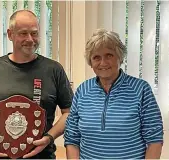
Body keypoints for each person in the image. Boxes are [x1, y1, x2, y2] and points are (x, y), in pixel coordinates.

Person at [0, 10, 73, 159]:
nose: (30, 39)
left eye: (34, 33)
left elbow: (69, 112)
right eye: (23, 33)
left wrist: (49, 138)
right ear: (10, 34)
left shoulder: (54, 69)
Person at [64, 29, 163, 159]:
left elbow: (155, 139)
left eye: (109, 55)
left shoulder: (141, 89)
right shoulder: (83, 90)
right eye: (96, 57)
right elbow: (72, 138)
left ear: (120, 57)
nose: (103, 63)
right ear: (90, 62)